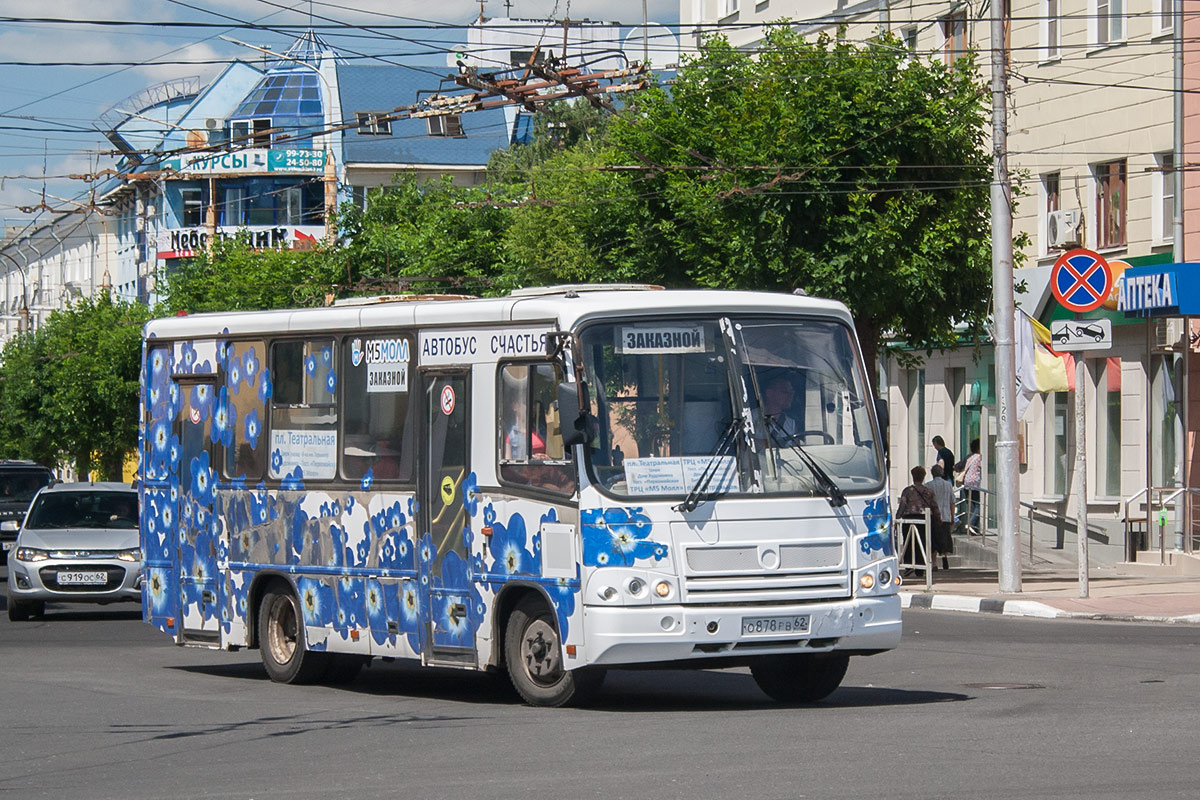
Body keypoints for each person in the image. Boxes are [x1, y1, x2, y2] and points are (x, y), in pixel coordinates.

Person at [897, 465, 941, 573]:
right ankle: (921, 567)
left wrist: (897, 518)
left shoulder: (907, 491)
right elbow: (934, 506)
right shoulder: (929, 491)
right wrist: (938, 518)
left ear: (913, 476)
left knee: (909, 541)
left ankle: (909, 565)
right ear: (923, 477)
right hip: (924, 518)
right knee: (923, 542)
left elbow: (902, 505)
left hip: (909, 518)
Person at [925, 465, 955, 570]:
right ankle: (944, 556)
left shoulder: (928, 485)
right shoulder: (948, 485)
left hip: (933, 517)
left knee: (933, 539)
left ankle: (934, 563)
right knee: (945, 538)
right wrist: (952, 516)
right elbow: (952, 502)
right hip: (946, 515)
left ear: (932, 473)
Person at [761, 375, 799, 443]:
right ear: (769, 393)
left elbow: (797, 447)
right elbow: (746, 445)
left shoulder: (791, 424)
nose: (790, 395)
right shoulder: (751, 419)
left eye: (791, 392)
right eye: (785, 392)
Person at [958, 438, 983, 533]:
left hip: (967, 483)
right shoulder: (980, 457)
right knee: (979, 505)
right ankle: (971, 524)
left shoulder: (970, 457)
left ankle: (973, 528)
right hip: (975, 483)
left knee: (972, 505)